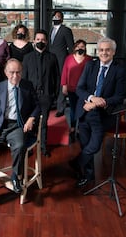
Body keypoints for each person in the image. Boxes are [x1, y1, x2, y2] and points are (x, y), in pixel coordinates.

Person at [0, 58, 40, 211]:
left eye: (18, 72)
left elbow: (37, 106)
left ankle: (15, 176)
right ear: (5, 73)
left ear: (22, 73)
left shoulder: (27, 86)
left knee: (19, 145)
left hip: (17, 125)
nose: (15, 76)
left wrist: (31, 118)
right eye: (11, 72)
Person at [70, 37, 126, 188]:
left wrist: (100, 102)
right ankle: (88, 176)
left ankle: (76, 164)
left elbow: (120, 96)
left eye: (107, 50)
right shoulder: (90, 65)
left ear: (113, 52)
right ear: (97, 51)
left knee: (94, 146)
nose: (104, 53)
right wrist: (91, 99)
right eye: (101, 50)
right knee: (85, 144)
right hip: (85, 111)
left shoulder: (119, 70)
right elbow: (79, 88)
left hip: (103, 114)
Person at [22, 29, 59, 157]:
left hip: (46, 96)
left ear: (47, 42)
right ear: (33, 41)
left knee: (43, 124)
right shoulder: (27, 58)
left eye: (43, 40)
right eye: (38, 40)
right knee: (31, 121)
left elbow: (57, 77)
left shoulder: (52, 57)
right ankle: (30, 147)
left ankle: (43, 148)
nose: (40, 42)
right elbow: (24, 78)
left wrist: (54, 94)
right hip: (31, 97)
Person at [60, 39, 92, 143]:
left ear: (85, 48)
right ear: (74, 48)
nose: (80, 48)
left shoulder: (89, 59)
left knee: (83, 108)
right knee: (73, 109)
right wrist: (64, 85)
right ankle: (73, 127)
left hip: (84, 90)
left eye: (82, 47)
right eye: (78, 46)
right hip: (71, 88)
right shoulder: (69, 58)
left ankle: (80, 128)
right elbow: (64, 72)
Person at [49, 10, 74, 117]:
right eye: (54, 16)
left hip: (61, 60)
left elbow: (71, 47)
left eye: (58, 16)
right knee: (52, 82)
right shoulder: (50, 30)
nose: (56, 18)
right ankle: (52, 103)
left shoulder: (66, 30)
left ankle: (61, 107)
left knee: (61, 83)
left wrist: (66, 58)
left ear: (62, 19)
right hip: (50, 60)